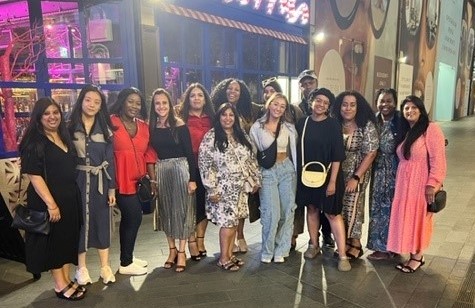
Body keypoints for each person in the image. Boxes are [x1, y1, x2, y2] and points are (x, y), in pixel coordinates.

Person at [19, 97, 85, 300]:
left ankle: (65, 278)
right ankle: (59, 284)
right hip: (49, 200)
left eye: (55, 112)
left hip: (69, 197)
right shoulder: (34, 142)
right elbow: (34, 175)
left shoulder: (64, 136)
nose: (52, 117)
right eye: (46, 113)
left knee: (66, 239)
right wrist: (51, 204)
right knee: (55, 242)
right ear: (39, 118)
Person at [387, 95, 446, 273]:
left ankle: (417, 257)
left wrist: (432, 184)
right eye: (406, 108)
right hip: (405, 183)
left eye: (414, 107)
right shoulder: (406, 131)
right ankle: (411, 251)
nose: (410, 111)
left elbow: (438, 160)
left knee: (420, 218)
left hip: (421, 182)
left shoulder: (431, 129)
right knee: (407, 217)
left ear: (421, 110)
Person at [198, 103, 260, 271]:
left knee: (234, 222)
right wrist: (211, 188)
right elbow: (205, 164)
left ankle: (230, 254)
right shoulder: (211, 136)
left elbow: (250, 158)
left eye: (231, 115)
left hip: (240, 188)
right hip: (222, 189)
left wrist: (256, 179)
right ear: (218, 117)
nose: (227, 118)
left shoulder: (240, 135)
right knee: (227, 223)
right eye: (224, 114)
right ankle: (223, 258)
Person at [295, 88, 351, 271]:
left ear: (329, 107)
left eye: (326, 103)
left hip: (328, 177)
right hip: (307, 176)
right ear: (311, 101)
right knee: (311, 209)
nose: (321, 105)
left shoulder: (333, 125)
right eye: (318, 100)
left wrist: (333, 181)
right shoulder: (302, 123)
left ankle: (342, 254)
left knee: (332, 214)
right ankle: (313, 244)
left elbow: (337, 155)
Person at [68, 85, 117, 285]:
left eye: (97, 102)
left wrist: (112, 188)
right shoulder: (69, 128)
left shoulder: (105, 130)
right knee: (80, 225)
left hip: (100, 183)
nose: (92, 105)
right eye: (88, 100)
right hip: (77, 182)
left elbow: (110, 161)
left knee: (101, 222)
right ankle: (82, 269)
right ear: (81, 100)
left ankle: (105, 268)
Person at [109, 87, 157, 276]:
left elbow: (149, 153)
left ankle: (127, 257)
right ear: (122, 101)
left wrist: (152, 179)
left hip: (138, 181)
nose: (134, 106)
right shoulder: (110, 123)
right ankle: (125, 262)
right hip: (119, 180)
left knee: (131, 219)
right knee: (134, 217)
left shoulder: (144, 127)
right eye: (130, 101)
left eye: (138, 103)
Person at [149, 88, 197, 273]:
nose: (161, 106)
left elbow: (190, 154)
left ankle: (182, 251)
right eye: (157, 103)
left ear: (170, 104)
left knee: (183, 210)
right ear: (153, 107)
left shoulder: (180, 125)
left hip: (180, 169)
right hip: (162, 171)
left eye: (164, 102)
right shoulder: (151, 127)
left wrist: (192, 179)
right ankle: (172, 251)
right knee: (166, 210)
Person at [210, 78, 260, 253]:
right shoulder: (217, 111)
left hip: (243, 164)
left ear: (242, 93)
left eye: (237, 89)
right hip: (223, 167)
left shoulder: (248, 111)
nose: (233, 92)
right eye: (229, 89)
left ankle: (240, 236)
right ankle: (227, 247)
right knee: (226, 209)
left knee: (242, 204)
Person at [249, 93, 297, 264]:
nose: (278, 108)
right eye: (275, 104)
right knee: (271, 213)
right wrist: (255, 176)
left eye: (282, 106)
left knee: (287, 211)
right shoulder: (257, 127)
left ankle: (282, 248)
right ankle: (267, 249)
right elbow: (253, 153)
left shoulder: (289, 127)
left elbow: (295, 152)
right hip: (267, 171)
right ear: (269, 105)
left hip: (287, 170)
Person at [330, 91, 379, 260]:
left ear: (358, 107)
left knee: (354, 208)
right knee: (340, 209)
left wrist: (356, 177)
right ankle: (345, 243)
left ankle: (355, 244)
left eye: (352, 104)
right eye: (344, 104)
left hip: (357, 174)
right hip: (336, 175)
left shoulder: (366, 125)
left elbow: (371, 153)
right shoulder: (334, 123)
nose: (348, 108)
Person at [293, 69, 334, 251]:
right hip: (306, 166)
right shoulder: (296, 109)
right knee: (310, 206)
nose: (307, 86)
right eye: (304, 83)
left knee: (324, 205)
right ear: (300, 86)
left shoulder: (327, 109)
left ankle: (326, 234)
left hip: (324, 163)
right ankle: (312, 238)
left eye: (311, 82)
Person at [177, 83, 215, 260]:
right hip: (188, 167)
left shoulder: (212, 118)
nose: (197, 98)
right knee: (189, 205)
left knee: (204, 205)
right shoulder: (181, 118)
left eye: (200, 95)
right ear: (188, 99)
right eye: (193, 95)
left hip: (207, 168)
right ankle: (191, 242)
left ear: (205, 98)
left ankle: (201, 240)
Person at [367, 88, 403, 261]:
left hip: (396, 170)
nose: (385, 104)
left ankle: (392, 246)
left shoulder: (400, 120)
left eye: (389, 101)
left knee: (392, 209)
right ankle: (379, 246)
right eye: (382, 101)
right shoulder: (373, 120)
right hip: (377, 170)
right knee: (376, 209)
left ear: (395, 103)